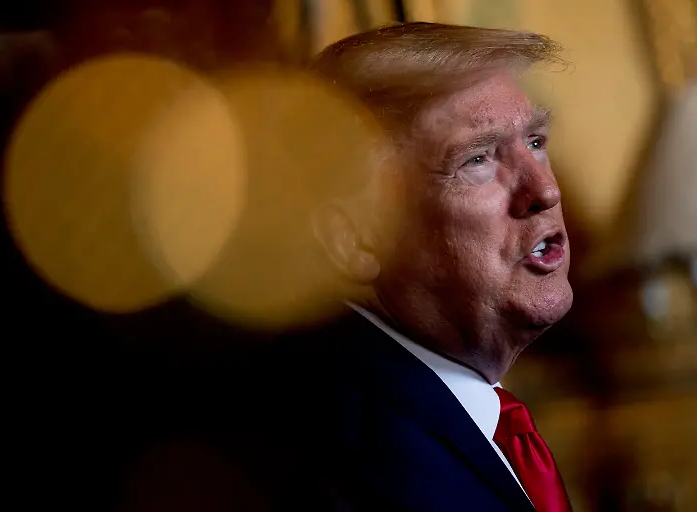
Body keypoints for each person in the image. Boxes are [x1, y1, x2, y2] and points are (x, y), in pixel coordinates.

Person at [245, 22, 575, 512]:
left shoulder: (427, 411)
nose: (545, 191)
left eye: (534, 141)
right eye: (477, 159)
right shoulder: (363, 457)